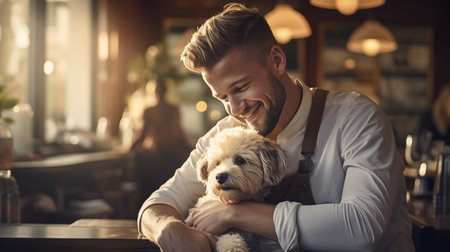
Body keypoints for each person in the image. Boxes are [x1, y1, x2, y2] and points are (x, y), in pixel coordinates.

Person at [137, 3, 414, 251]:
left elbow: (361, 228)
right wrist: (166, 228)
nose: (235, 109)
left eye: (241, 87)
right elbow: (155, 206)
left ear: (278, 61)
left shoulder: (356, 117)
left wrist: (234, 213)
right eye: (223, 97)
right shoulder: (227, 134)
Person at [131, 78, 191, 205]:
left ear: (154, 92)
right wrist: (189, 148)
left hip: (155, 154)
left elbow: (142, 135)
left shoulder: (149, 110)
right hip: (171, 154)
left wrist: (129, 149)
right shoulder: (173, 109)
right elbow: (178, 133)